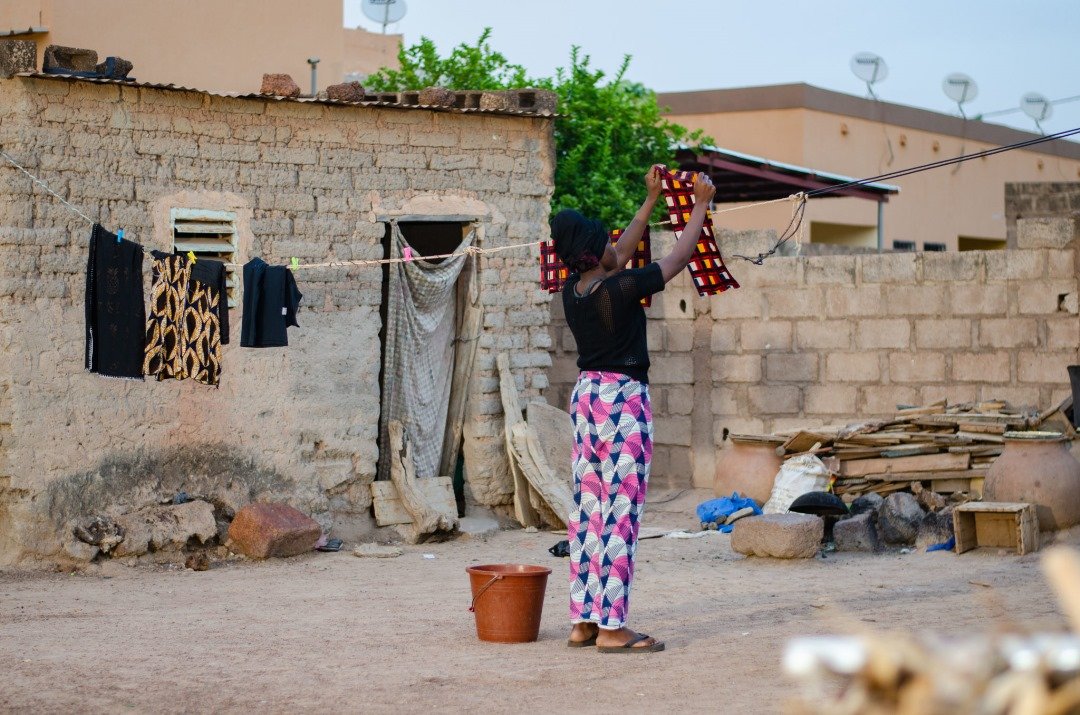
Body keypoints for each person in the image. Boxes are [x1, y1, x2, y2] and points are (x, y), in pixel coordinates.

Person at [553, 165, 716, 653]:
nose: (616, 244)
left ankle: (583, 620)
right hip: (621, 403)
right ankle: (612, 628)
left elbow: (621, 253)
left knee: (588, 513)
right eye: (607, 240)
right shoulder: (620, 290)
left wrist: (650, 199)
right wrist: (700, 205)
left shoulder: (576, 291)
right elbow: (679, 257)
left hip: (585, 402)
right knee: (620, 511)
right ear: (592, 252)